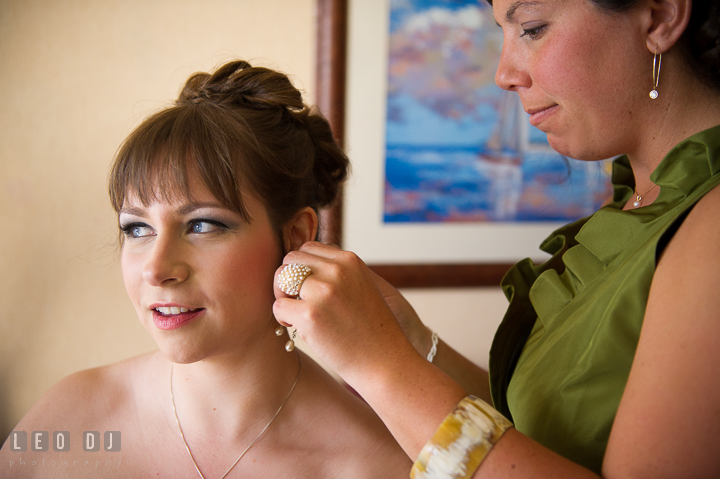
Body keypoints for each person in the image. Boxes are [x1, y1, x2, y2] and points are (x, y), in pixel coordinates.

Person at [272, 0, 720, 478]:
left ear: (661, 16)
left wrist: (381, 366)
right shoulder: (637, 205)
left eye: (531, 27)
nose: (504, 74)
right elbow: (543, 434)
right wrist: (411, 339)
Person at [0, 60, 411, 478]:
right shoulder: (68, 418)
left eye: (202, 224)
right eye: (136, 228)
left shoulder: (375, 462)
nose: (156, 270)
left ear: (296, 237)